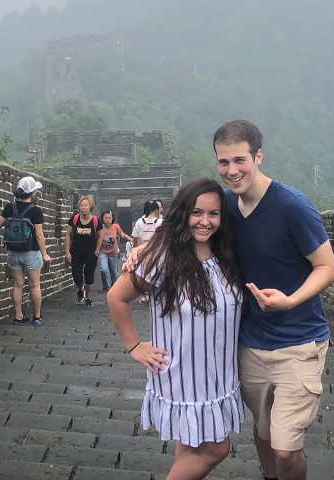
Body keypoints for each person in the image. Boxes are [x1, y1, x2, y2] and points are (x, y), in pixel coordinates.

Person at [214, 119, 334, 480]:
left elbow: (327, 267)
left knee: (285, 448)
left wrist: (291, 300)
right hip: (250, 344)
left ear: (258, 156)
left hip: (299, 342)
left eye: (240, 160)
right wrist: (143, 251)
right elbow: (186, 229)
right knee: (264, 433)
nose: (232, 171)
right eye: (224, 162)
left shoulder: (292, 206)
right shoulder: (224, 205)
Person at [107, 177, 244, 480]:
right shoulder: (163, 257)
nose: (204, 221)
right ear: (183, 213)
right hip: (183, 374)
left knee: (192, 444)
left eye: (213, 214)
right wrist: (134, 345)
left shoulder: (226, 254)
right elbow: (117, 296)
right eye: (196, 212)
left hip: (218, 375)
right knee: (216, 449)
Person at [0, 176, 51, 325]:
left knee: (17, 285)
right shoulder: (35, 211)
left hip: (13, 252)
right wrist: (45, 254)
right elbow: (39, 234)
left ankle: (18, 316)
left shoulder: (10, 207)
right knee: (34, 285)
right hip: (31, 252)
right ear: (33, 192)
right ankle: (36, 317)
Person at [64, 195, 100, 307]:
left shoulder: (95, 220)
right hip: (76, 251)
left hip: (91, 252)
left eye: (86, 205)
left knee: (89, 276)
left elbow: (100, 236)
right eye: (82, 205)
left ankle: (88, 298)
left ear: (90, 207)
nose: (83, 207)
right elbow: (68, 235)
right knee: (76, 275)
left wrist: (97, 250)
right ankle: (80, 288)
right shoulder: (74, 219)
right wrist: (67, 252)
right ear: (79, 207)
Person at [95, 210, 132, 294]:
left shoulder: (115, 227)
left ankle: (114, 287)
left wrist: (133, 240)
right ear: (102, 218)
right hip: (103, 252)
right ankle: (106, 287)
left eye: (109, 218)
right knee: (104, 270)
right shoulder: (100, 228)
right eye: (105, 218)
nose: (108, 220)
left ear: (112, 219)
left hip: (113, 253)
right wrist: (96, 250)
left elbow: (123, 235)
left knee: (114, 272)